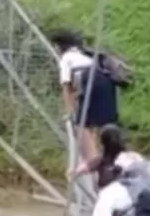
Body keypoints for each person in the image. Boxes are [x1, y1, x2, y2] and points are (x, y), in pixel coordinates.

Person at [51, 30, 119, 175]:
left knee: (80, 126)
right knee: (92, 125)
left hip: (90, 82)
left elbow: (66, 87)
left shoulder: (66, 58)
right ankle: (98, 158)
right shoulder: (84, 55)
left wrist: (70, 112)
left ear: (59, 46)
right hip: (106, 83)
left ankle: (91, 161)